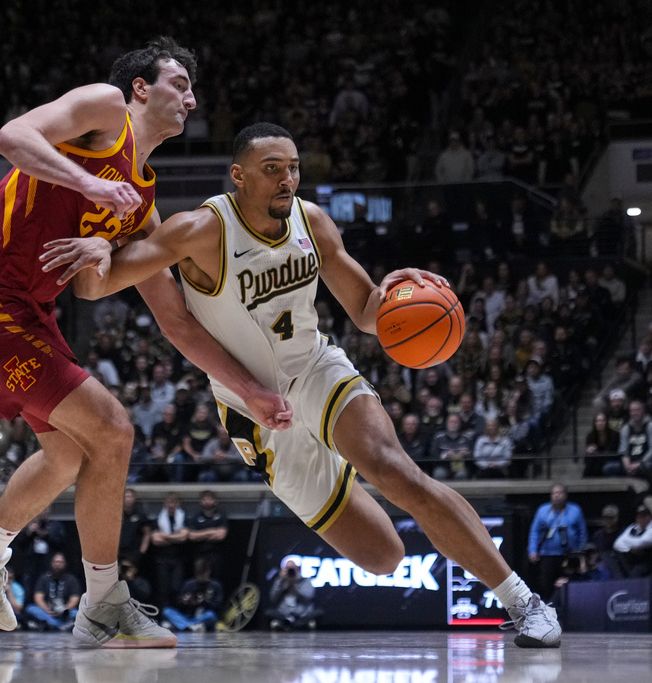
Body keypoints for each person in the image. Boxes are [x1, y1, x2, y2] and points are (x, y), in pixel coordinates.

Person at [41, 122, 562, 647]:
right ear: (239, 176)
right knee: (384, 557)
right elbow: (93, 287)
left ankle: (524, 602)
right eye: (272, 169)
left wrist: (394, 292)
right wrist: (102, 243)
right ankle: (343, 458)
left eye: (292, 168)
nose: (286, 179)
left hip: (316, 370)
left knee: (396, 470)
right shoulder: (200, 230)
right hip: (253, 410)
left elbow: (365, 309)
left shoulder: (312, 221)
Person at [0, 38, 292, 649]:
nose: (191, 98)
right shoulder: (106, 109)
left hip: (28, 311)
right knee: (114, 428)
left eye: (194, 90)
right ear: (141, 89)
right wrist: (88, 185)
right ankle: (103, 605)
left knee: (70, 455)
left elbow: (163, 316)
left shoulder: (142, 204)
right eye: (180, 83)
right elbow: (12, 137)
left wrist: (250, 390)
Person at [527, 484, 587, 601]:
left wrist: (580, 552)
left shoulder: (575, 510)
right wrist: (532, 550)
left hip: (569, 554)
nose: (557, 496)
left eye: (560, 493)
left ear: (565, 495)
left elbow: (582, 532)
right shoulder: (543, 510)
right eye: (554, 493)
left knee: (568, 584)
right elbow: (535, 531)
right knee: (546, 584)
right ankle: (548, 607)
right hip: (547, 554)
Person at [160, 558, 223, 633]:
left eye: (203, 574)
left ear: (209, 572)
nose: (201, 577)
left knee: (211, 615)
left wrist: (203, 602)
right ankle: (189, 626)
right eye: (199, 575)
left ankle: (183, 625)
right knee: (167, 611)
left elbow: (217, 606)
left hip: (202, 616)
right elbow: (179, 604)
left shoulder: (215, 586)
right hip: (188, 616)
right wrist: (185, 602)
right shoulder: (189, 584)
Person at [25, 552, 81, 631]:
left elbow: (75, 598)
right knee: (31, 608)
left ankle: (53, 625)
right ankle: (57, 625)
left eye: (60, 562)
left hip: (65, 612)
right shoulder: (44, 578)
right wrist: (47, 609)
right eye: (56, 562)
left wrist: (65, 610)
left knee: (77, 613)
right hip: (48, 612)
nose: (58, 564)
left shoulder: (72, 579)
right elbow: (38, 597)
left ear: (65, 564)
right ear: (51, 563)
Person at [265, 559, 321, 631]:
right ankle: (297, 625)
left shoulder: (305, 580)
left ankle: (289, 625)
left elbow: (309, 596)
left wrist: (295, 587)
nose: (290, 571)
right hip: (284, 614)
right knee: (268, 612)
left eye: (292, 569)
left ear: (297, 569)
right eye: (287, 569)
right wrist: (280, 580)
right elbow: (273, 598)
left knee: (319, 612)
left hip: (302, 614)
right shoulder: (281, 581)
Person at [612, 504, 652, 578]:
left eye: (644, 516)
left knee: (636, 571)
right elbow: (617, 544)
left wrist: (626, 541)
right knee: (612, 557)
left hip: (650, 565)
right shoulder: (633, 528)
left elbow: (639, 543)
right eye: (639, 516)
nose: (640, 519)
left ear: (650, 517)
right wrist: (630, 549)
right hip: (632, 562)